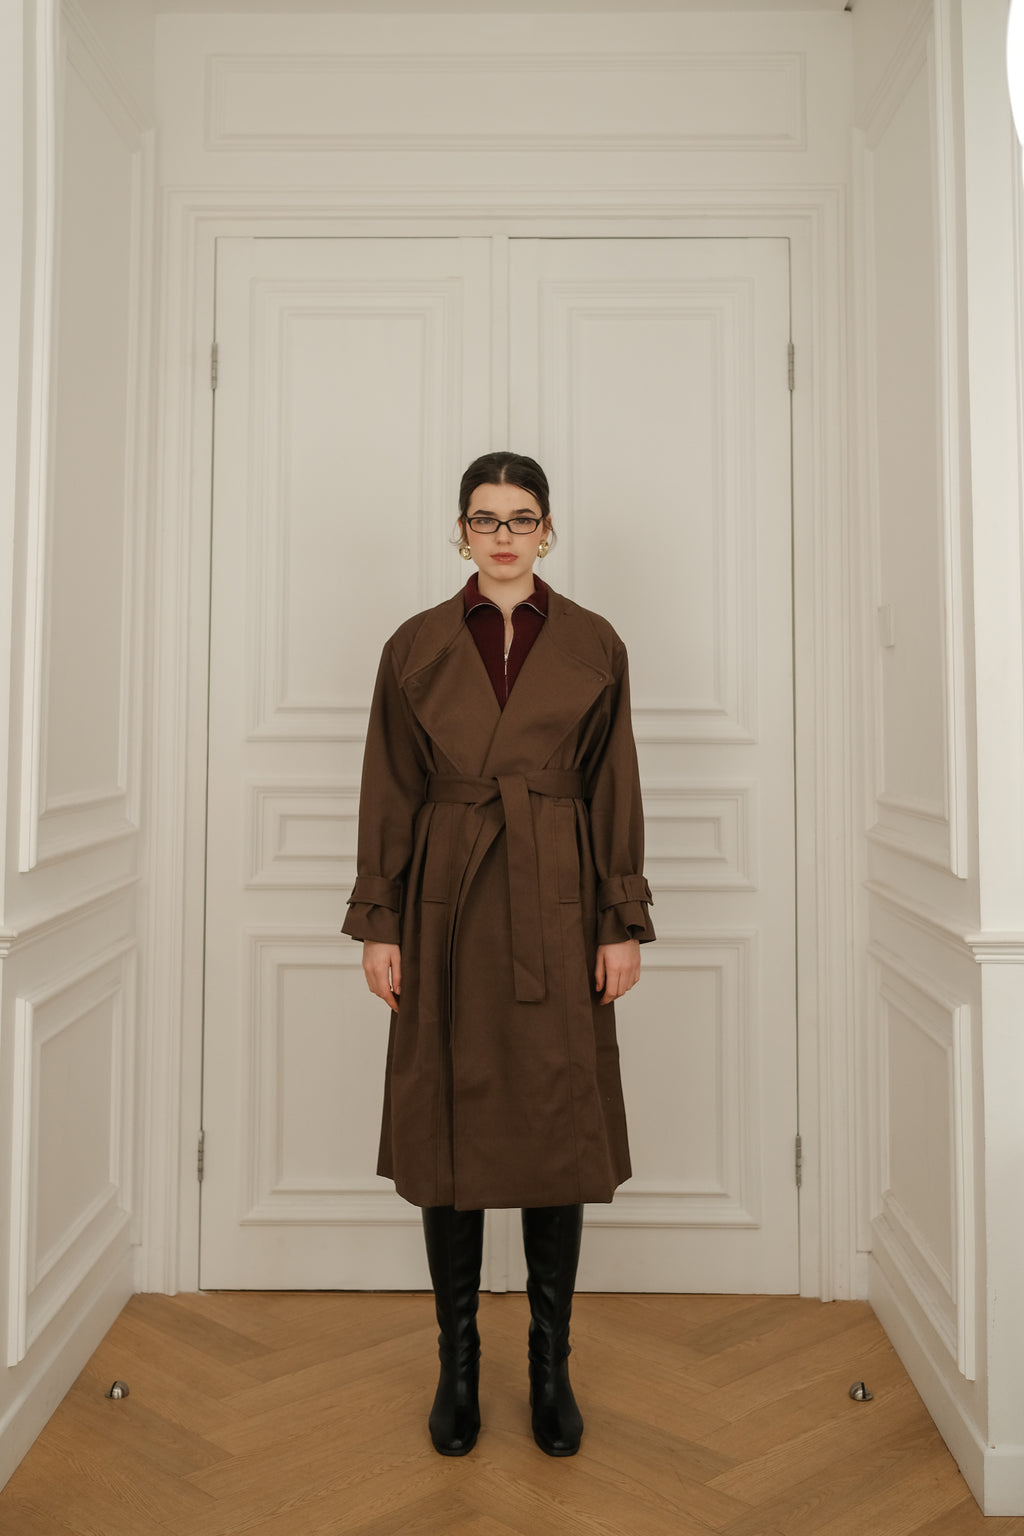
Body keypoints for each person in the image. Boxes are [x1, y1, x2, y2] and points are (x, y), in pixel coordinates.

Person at [342, 450, 654, 1459]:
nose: (505, 535)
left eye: (522, 518)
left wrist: (618, 920)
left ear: (548, 530)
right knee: (448, 1127)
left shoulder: (595, 642)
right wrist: (381, 922)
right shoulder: (415, 644)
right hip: (446, 903)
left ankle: (550, 1368)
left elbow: (614, 786)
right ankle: (459, 1366)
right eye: (486, 518)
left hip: (557, 898)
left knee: (556, 1123)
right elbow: (390, 785)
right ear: (461, 531)